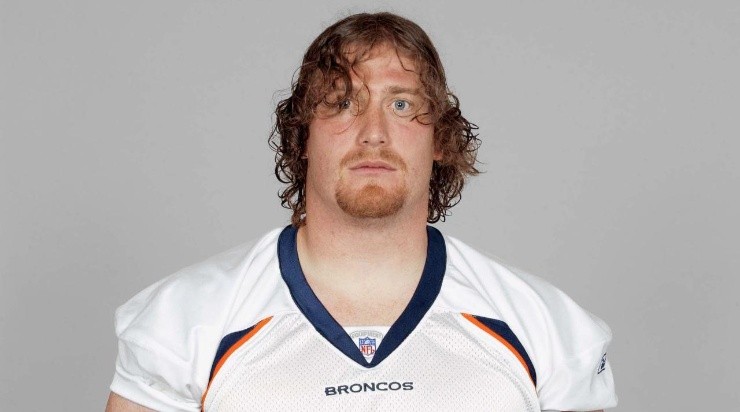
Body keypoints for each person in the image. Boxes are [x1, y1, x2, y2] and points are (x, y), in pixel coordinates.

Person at [106, 12, 616, 412]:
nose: (373, 132)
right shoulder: (182, 323)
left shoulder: (547, 329)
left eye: (401, 105)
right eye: (342, 102)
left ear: (439, 137)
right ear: (301, 135)